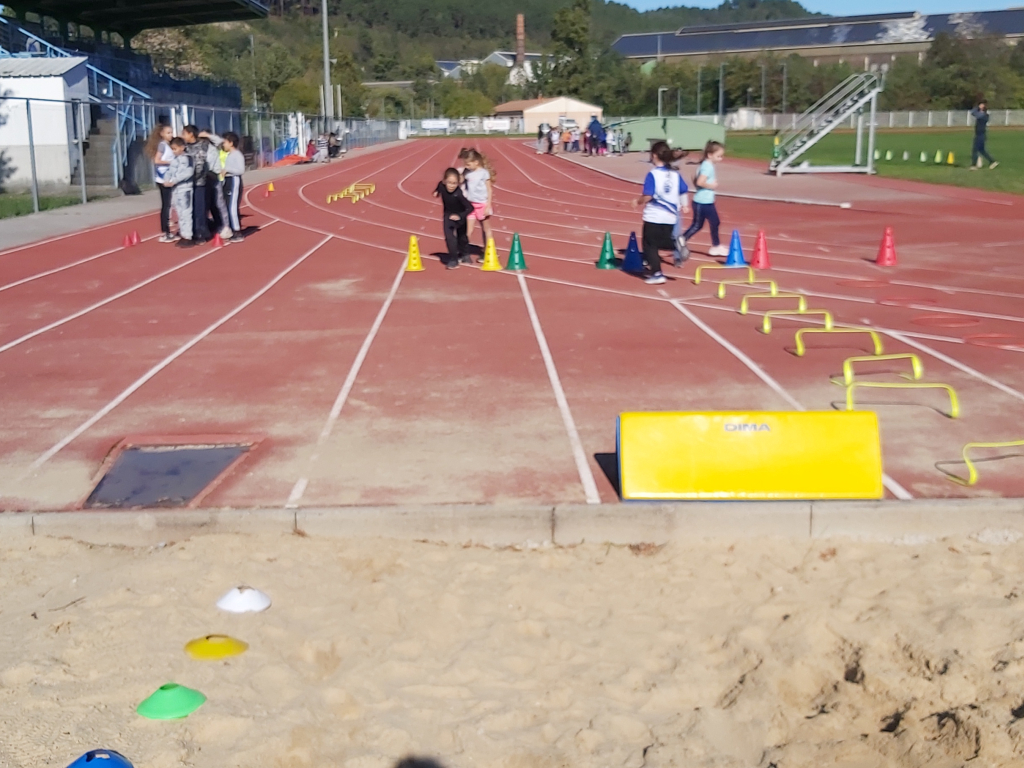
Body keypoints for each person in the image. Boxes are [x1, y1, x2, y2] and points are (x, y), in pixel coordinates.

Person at [632, 141, 690, 285]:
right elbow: (683, 190)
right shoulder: (675, 174)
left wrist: (637, 202)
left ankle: (657, 273)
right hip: (671, 216)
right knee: (662, 241)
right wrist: (685, 204)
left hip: (654, 215)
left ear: (654, 156)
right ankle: (675, 244)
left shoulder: (653, 174)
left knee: (649, 245)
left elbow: (648, 195)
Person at [682, 141, 727, 259]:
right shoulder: (707, 167)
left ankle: (682, 240)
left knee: (702, 224)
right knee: (705, 223)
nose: (720, 159)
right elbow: (700, 182)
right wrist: (711, 186)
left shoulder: (705, 165)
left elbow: (695, 178)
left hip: (703, 201)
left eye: (721, 156)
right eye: (718, 156)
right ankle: (715, 246)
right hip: (703, 202)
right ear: (710, 155)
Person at [204, 131, 246, 243]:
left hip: (234, 181)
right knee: (227, 206)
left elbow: (241, 170)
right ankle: (231, 228)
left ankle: (237, 231)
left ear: (231, 143)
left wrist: (227, 170)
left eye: (225, 143)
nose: (223, 145)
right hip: (227, 181)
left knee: (232, 207)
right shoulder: (229, 155)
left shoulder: (237, 154)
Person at [433, 167, 474, 269]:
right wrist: (436, 192)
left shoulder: (458, 194)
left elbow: (470, 208)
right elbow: (439, 185)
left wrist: (460, 216)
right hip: (448, 215)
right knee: (449, 238)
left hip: (460, 216)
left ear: (458, 183)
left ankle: (465, 254)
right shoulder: (442, 186)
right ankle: (453, 259)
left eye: (454, 183)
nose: (451, 186)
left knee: (462, 237)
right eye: (449, 182)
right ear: (445, 181)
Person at [162, 138, 195, 249]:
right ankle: (183, 233)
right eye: (172, 149)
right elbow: (170, 171)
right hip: (176, 189)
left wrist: (175, 180)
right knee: (179, 213)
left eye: (175, 149)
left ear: (182, 147)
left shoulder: (188, 158)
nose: (173, 151)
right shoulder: (175, 160)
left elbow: (188, 172)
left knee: (186, 213)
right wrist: (166, 180)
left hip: (185, 189)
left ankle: (188, 236)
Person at [146, 124, 176, 243]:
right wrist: (170, 162)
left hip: (169, 177)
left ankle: (168, 229)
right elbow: (157, 160)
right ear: (162, 134)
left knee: (170, 204)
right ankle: (165, 232)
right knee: (166, 205)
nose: (171, 135)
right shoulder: (162, 145)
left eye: (171, 132)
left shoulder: (169, 145)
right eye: (168, 133)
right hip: (163, 178)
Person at [461, 149, 495, 254]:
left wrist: (488, 205)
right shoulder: (467, 172)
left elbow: (489, 189)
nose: (466, 166)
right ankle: (463, 251)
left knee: (486, 229)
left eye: (468, 164)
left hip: (482, 204)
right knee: (468, 230)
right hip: (470, 205)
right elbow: (460, 180)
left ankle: (489, 251)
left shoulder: (484, 173)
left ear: (476, 162)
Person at [970, 101, 998, 170]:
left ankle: (974, 165)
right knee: (982, 150)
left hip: (981, 134)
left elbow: (973, 113)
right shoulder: (982, 114)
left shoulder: (984, 115)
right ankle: (992, 161)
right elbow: (973, 112)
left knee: (975, 150)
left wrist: (977, 107)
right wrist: (977, 107)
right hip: (979, 134)